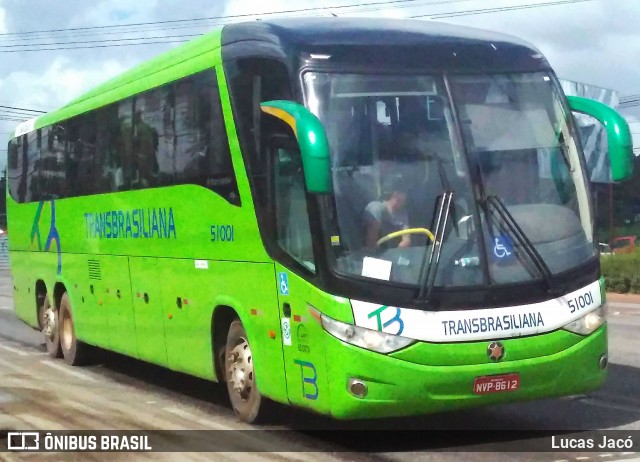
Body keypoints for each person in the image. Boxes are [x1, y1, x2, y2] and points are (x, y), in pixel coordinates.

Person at [363, 174, 411, 249]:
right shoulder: (376, 208)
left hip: (393, 255)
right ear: (396, 194)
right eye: (404, 193)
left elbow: (406, 239)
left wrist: (397, 254)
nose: (406, 197)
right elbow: (371, 242)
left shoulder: (402, 214)